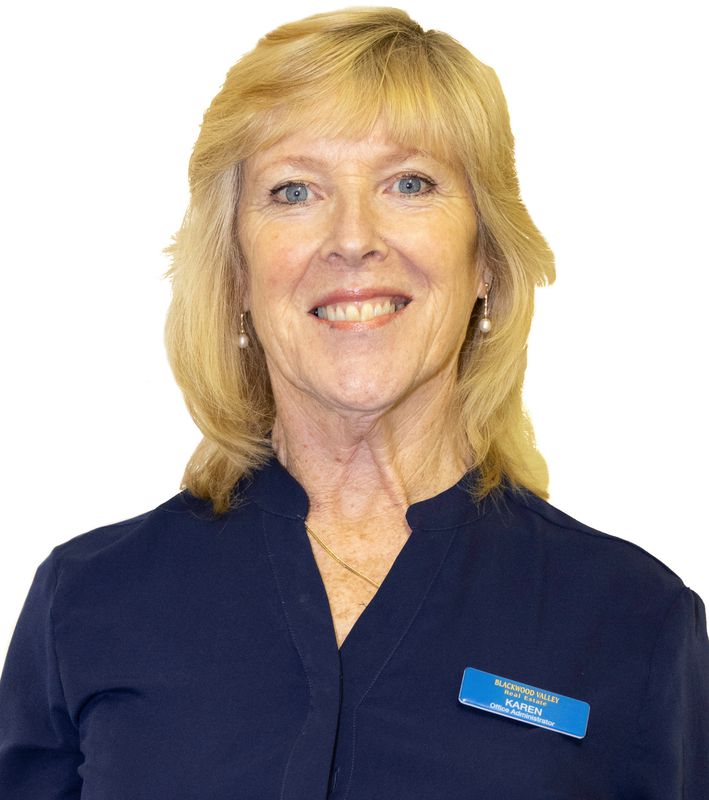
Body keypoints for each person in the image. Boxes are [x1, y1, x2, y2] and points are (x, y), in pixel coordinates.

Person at [1, 6, 707, 798]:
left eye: (409, 184)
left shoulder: (631, 620)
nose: (352, 237)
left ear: (485, 258)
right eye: (294, 191)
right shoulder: (88, 600)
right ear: (236, 272)